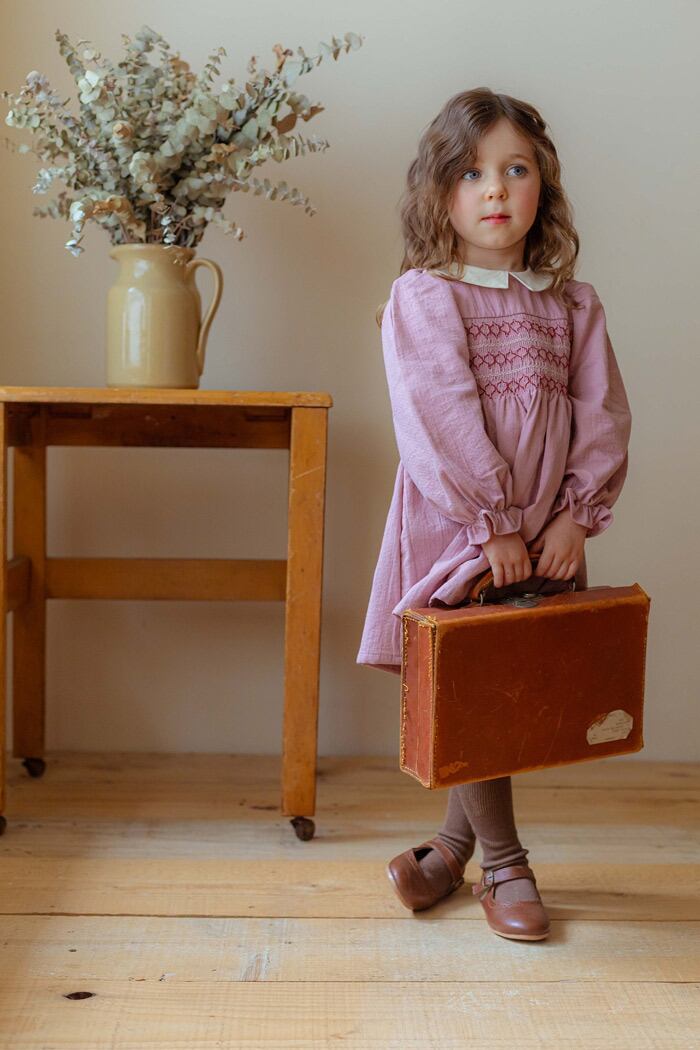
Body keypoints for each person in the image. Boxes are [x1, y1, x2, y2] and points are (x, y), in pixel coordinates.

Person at [355, 88, 632, 941]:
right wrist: (494, 522)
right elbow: (437, 415)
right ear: (440, 190)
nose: (496, 190)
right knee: (473, 679)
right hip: (463, 523)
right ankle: (506, 865)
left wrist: (576, 516)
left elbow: (603, 414)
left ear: (543, 184)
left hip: (545, 527)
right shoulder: (426, 297)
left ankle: (448, 852)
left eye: (515, 170)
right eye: (472, 173)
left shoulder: (571, 304)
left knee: (507, 678)